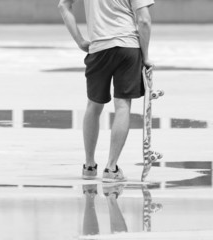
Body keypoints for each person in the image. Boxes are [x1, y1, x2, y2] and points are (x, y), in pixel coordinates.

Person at [58, 0, 154, 181]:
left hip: (98, 48)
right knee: (123, 105)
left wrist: (80, 41)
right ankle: (111, 168)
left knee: (93, 106)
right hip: (128, 46)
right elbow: (144, 20)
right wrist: (146, 56)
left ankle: (89, 166)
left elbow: (63, 6)